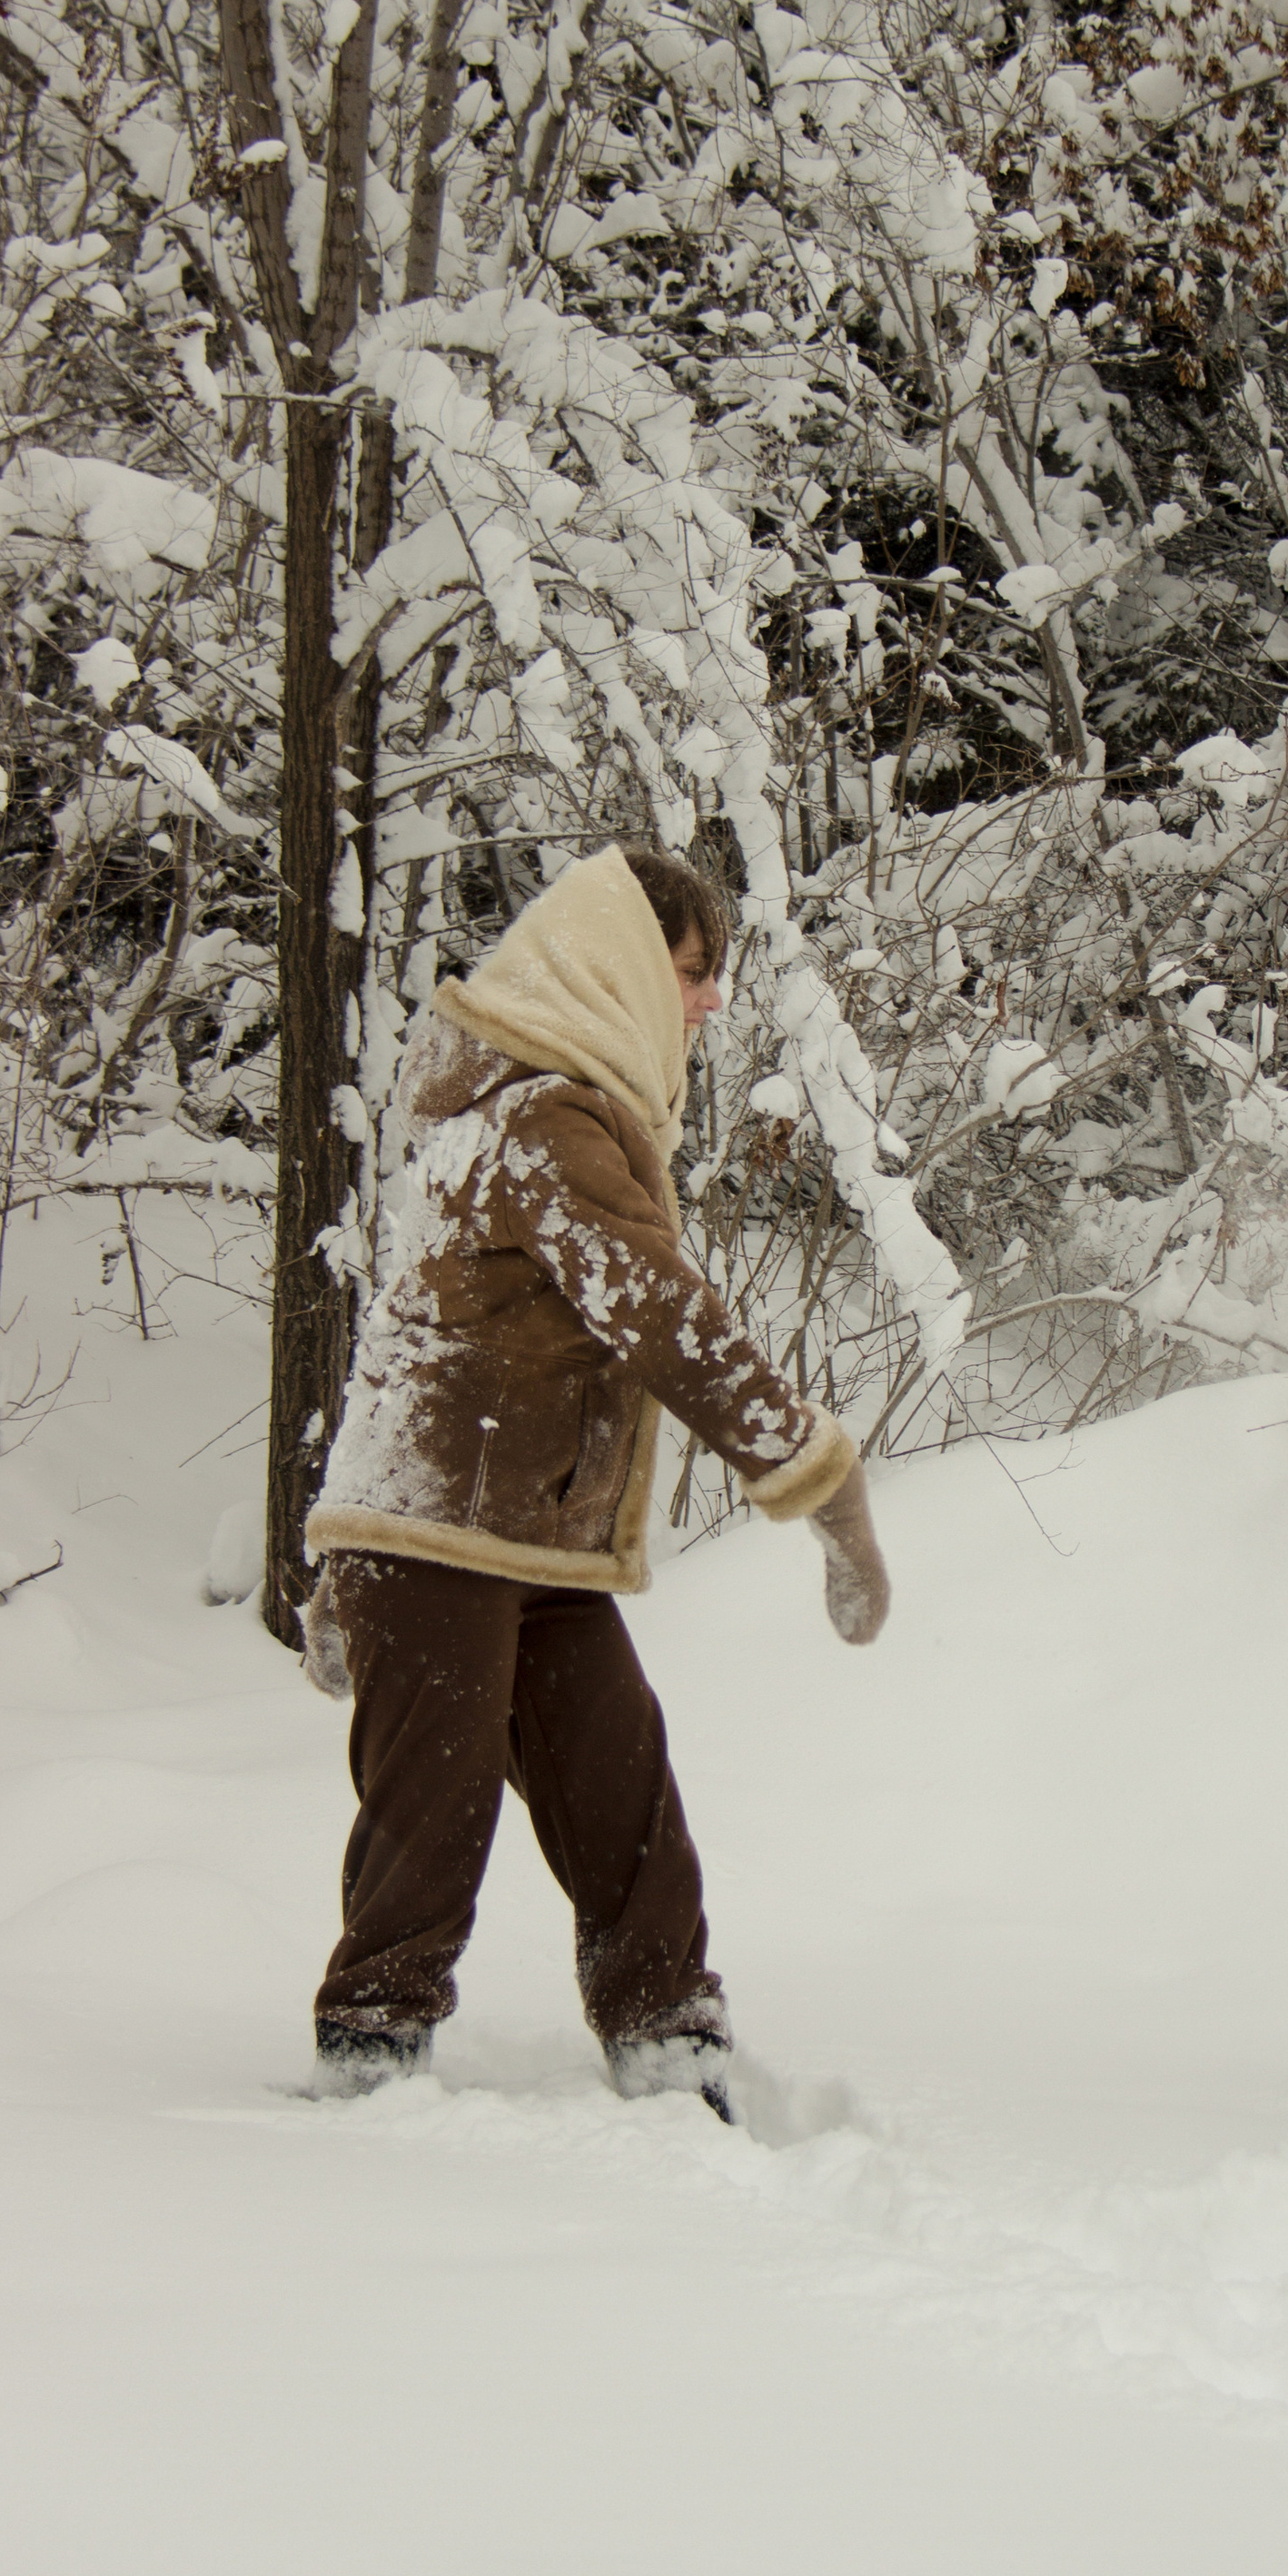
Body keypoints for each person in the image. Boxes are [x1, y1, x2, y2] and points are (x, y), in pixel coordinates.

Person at [298, 841, 889, 2113]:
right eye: (690, 969)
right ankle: (368, 2058)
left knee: (621, 1779)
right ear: (616, 965)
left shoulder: (543, 1113)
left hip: (525, 1541)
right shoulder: (542, 1122)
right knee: (434, 1814)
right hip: (437, 1537)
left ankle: (669, 2032)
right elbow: (664, 1315)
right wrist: (815, 1477)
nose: (710, 1000)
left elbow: (423, 1331)